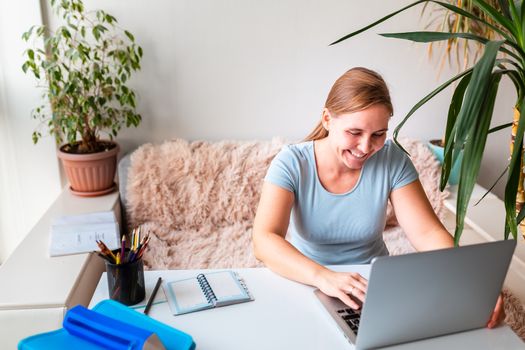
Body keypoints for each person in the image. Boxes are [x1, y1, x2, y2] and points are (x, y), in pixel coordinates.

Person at [252, 67, 504, 328]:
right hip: (306, 280)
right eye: (354, 133)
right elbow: (264, 239)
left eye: (378, 135)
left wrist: (471, 279)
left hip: (373, 288)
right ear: (327, 119)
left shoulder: (392, 160)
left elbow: (427, 233)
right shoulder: (292, 162)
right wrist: (323, 277)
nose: (365, 148)